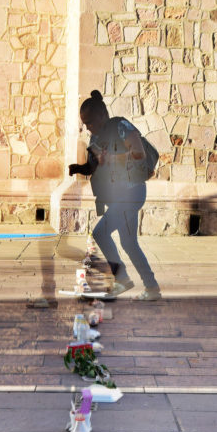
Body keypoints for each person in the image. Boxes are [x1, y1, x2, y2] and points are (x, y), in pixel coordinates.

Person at [68, 90, 161, 300]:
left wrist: (112, 159)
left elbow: (139, 153)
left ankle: (122, 278)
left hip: (132, 192)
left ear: (102, 115)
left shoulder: (121, 126)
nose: (88, 127)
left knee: (100, 233)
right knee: (129, 243)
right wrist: (79, 168)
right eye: (85, 123)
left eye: (90, 122)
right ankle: (152, 288)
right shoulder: (96, 137)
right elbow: (95, 166)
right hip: (119, 196)